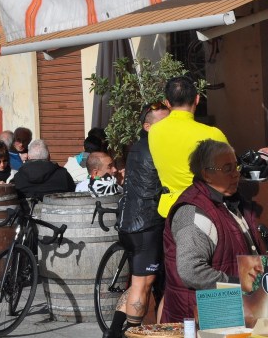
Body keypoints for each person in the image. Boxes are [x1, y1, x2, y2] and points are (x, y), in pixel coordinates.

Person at [162, 139, 266, 323]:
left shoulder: (231, 201)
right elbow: (190, 270)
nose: (236, 175)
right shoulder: (193, 212)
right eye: (227, 169)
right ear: (207, 174)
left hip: (233, 311)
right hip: (207, 315)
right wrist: (238, 284)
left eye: (236, 167)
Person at [103, 103, 170, 338]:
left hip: (131, 223)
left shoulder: (138, 147)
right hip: (146, 224)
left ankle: (113, 333)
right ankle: (131, 334)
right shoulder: (156, 148)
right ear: (147, 126)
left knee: (137, 282)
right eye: (163, 123)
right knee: (143, 284)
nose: (168, 127)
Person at [150, 77, 228, 218]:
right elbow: (228, 172)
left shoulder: (154, 131)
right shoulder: (212, 134)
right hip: (204, 210)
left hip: (170, 210)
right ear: (197, 99)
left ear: (167, 103)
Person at [11, 138, 75, 200]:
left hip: (27, 210)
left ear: (28, 157)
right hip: (58, 210)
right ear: (49, 156)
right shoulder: (63, 175)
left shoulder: (18, 177)